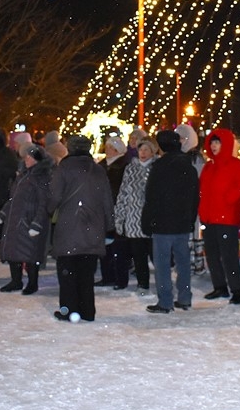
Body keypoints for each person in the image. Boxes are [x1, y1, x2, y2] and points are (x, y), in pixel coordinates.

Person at [48, 135, 114, 322]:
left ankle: (69, 310)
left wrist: (49, 210)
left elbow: (54, 196)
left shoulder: (64, 168)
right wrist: (109, 226)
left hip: (69, 226)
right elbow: (107, 200)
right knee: (87, 272)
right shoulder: (98, 169)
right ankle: (88, 310)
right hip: (93, 227)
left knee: (67, 272)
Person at [141, 130, 200, 314]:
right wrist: (190, 218)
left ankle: (165, 301)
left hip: (163, 223)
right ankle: (185, 297)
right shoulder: (188, 166)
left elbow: (151, 197)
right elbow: (194, 196)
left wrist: (147, 221)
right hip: (182, 223)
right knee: (183, 262)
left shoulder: (160, 167)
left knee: (162, 264)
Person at [199, 127, 240, 304]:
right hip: (209, 218)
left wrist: (229, 199)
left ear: (226, 144)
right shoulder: (208, 166)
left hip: (226, 219)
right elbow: (202, 190)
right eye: (212, 142)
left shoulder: (235, 165)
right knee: (212, 255)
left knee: (229, 257)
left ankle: (237, 290)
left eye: (217, 143)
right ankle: (220, 286)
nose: (214, 146)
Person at [0, 143, 53, 295]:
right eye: (26, 156)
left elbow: (44, 202)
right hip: (15, 220)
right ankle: (16, 281)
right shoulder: (22, 176)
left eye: (30, 156)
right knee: (13, 251)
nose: (26, 159)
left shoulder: (42, 177)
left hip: (29, 221)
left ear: (37, 159)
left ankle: (32, 283)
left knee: (31, 253)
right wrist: (3, 213)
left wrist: (37, 223)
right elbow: (13, 198)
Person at [114, 137, 158, 292]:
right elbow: (123, 194)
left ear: (153, 152)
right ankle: (142, 284)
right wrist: (120, 217)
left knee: (156, 256)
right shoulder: (130, 169)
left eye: (146, 150)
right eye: (141, 149)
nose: (143, 153)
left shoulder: (157, 168)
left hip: (152, 220)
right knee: (139, 256)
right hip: (133, 220)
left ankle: (162, 283)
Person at [98, 135, 131, 288]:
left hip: (118, 209)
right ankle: (107, 276)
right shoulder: (102, 165)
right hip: (103, 209)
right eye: (107, 147)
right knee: (105, 245)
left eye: (111, 147)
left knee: (119, 246)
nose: (108, 150)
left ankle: (120, 278)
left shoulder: (124, 165)